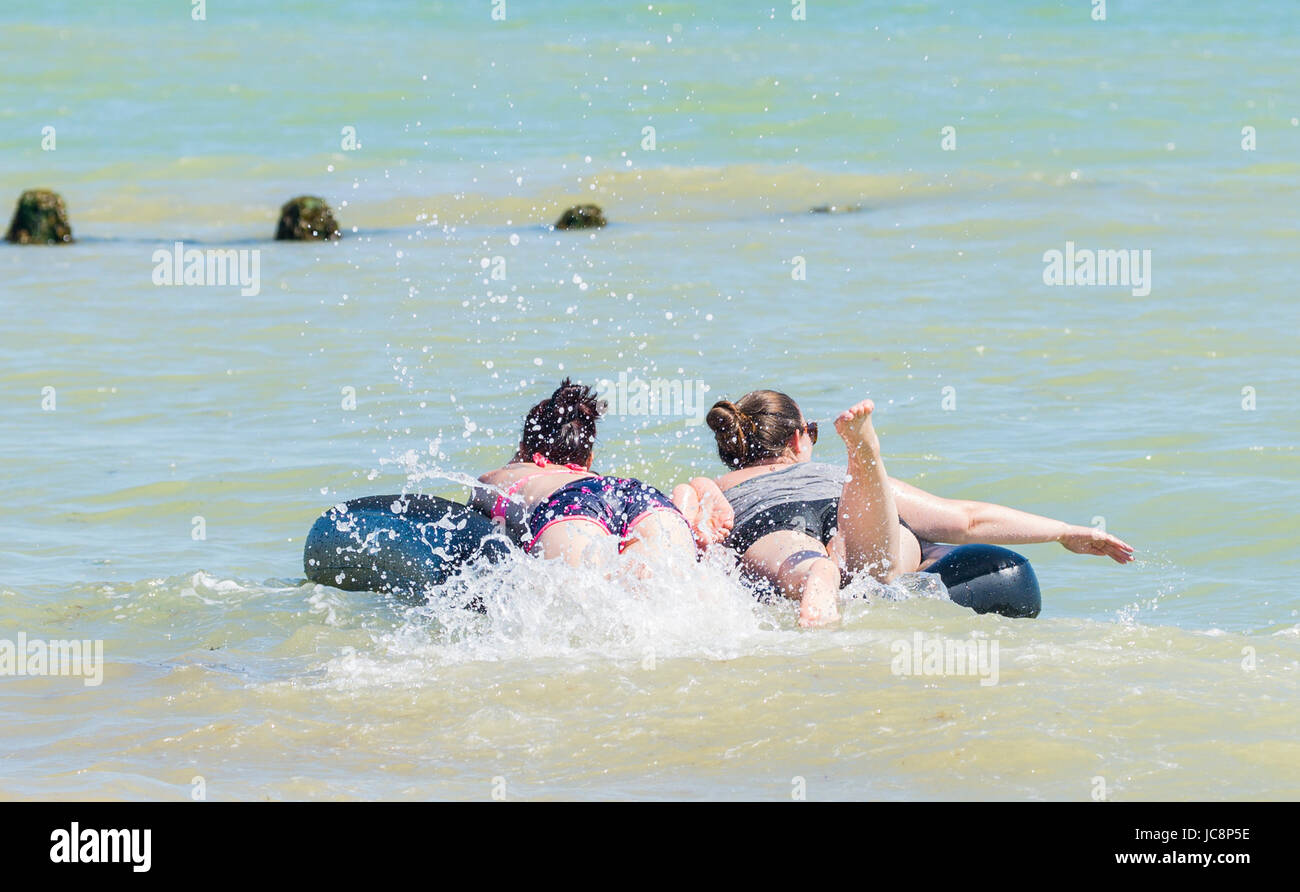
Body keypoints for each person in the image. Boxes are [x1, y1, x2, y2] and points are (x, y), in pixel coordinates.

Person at [704, 390, 1134, 627]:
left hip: (766, 524)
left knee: (801, 561)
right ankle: (865, 460)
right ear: (800, 439)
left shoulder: (719, 489)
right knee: (882, 557)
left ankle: (822, 575)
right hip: (851, 508)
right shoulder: (828, 477)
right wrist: (1063, 531)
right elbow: (967, 520)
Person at [470, 379, 731, 568]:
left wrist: (517, 460)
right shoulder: (593, 477)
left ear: (524, 450)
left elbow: (476, 505)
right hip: (641, 497)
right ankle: (688, 503)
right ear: (589, 458)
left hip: (570, 505)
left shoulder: (509, 474)